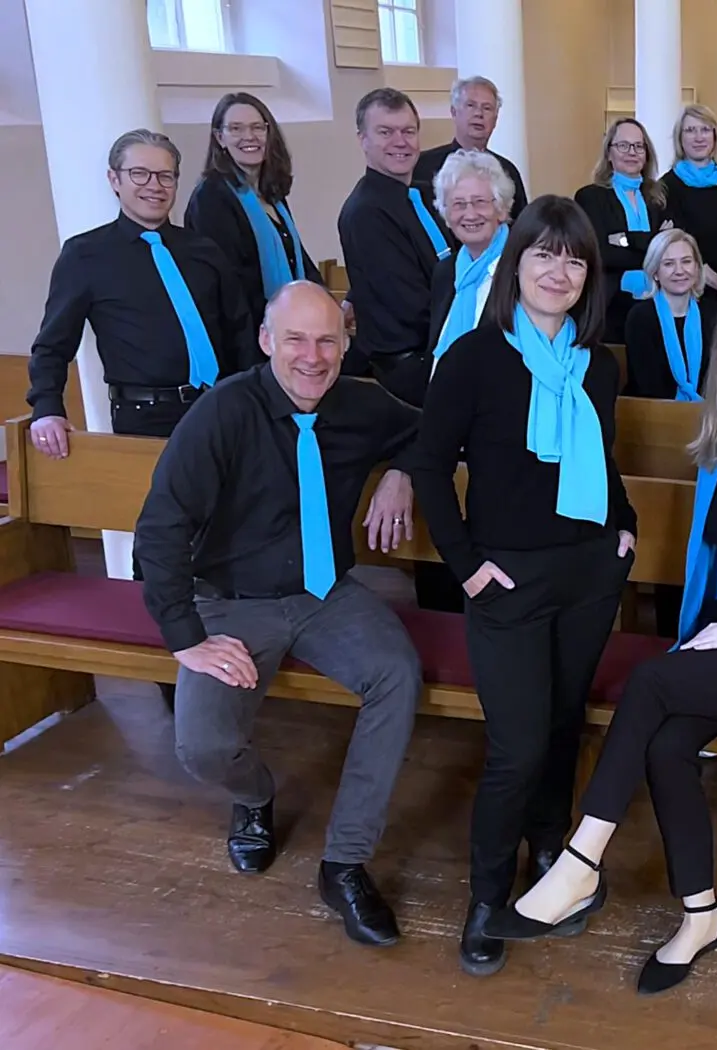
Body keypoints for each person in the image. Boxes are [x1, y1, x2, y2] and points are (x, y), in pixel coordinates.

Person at [487, 284, 717, 997]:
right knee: (664, 743)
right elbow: (715, 560)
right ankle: (700, 916)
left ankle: (579, 861)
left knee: (652, 682)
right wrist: (706, 634)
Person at [134, 281, 422, 949]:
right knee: (202, 747)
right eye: (295, 339)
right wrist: (186, 638)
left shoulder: (362, 403)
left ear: (346, 346)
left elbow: (431, 429)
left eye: (327, 340)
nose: (312, 356)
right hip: (230, 600)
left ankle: (345, 863)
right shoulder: (223, 413)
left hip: (328, 596)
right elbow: (160, 528)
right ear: (267, 343)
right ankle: (254, 796)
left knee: (397, 675)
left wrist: (402, 470)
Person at [411, 195, 637, 978]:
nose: (559, 270)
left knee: (567, 722)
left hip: (586, 574)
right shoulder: (475, 357)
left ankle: (554, 854)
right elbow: (430, 468)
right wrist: (467, 563)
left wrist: (626, 526)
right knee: (515, 745)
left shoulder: (597, 363)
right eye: (544, 253)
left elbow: (600, 460)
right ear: (516, 265)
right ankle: (486, 896)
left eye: (575, 258)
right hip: (504, 576)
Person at [28, 128, 255, 461]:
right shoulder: (85, 255)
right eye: (139, 173)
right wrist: (47, 407)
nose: (154, 186)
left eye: (165, 176)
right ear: (114, 180)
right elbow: (52, 344)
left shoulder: (203, 249)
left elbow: (241, 330)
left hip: (220, 407)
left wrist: (253, 399)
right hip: (145, 419)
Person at [185, 92, 322, 339]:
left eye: (257, 127)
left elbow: (296, 256)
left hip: (288, 328)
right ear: (220, 138)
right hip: (249, 338)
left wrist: (322, 303)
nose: (249, 137)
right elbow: (228, 285)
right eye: (236, 129)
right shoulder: (211, 198)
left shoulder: (272, 194)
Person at [337, 88, 443, 406]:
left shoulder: (422, 195)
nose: (401, 142)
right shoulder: (367, 212)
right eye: (386, 132)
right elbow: (412, 306)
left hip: (442, 350)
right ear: (362, 139)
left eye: (408, 131)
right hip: (412, 370)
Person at [574, 118, 669, 344]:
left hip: (658, 302)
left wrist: (626, 239)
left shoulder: (659, 198)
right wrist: (651, 245)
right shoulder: (590, 196)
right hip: (610, 306)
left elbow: (669, 249)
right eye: (623, 145)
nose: (631, 152)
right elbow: (600, 253)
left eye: (638, 146)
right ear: (609, 152)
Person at [426, 149, 517, 367]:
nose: (470, 214)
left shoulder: (522, 270)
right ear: (446, 216)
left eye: (480, 202)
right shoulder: (445, 272)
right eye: (458, 204)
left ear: (502, 209)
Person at [413, 75, 528, 242]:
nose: (479, 114)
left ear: (495, 119)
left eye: (487, 108)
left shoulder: (506, 170)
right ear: (454, 112)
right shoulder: (423, 166)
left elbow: (520, 229)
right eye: (470, 105)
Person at [659, 104, 717, 306]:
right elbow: (681, 249)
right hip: (691, 295)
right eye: (690, 130)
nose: (699, 137)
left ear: (715, 137)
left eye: (705, 129)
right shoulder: (666, 187)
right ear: (680, 139)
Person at [624, 228, 717, 400]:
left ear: (697, 268)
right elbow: (648, 385)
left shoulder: (714, 314)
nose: (679, 271)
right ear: (655, 272)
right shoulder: (640, 317)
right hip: (654, 416)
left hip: (708, 414)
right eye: (668, 264)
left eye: (686, 261)